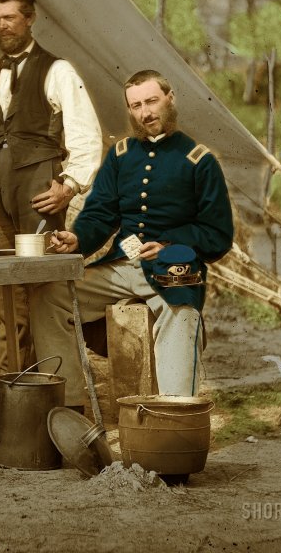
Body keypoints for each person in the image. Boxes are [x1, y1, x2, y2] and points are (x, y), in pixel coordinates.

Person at [0, 0, 103, 408]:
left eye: (11, 18)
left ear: (30, 18)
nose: (3, 26)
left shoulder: (58, 71)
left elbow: (86, 137)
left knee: (41, 287)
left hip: (40, 191)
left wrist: (69, 186)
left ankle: (54, 383)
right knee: (6, 288)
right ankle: (14, 379)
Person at [50, 69, 234, 398]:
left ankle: (174, 413)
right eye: (136, 106)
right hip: (121, 266)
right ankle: (69, 403)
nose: (145, 112)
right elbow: (101, 212)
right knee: (50, 296)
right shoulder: (120, 156)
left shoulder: (199, 161)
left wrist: (170, 243)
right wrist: (78, 238)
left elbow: (217, 234)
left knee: (180, 312)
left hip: (175, 268)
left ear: (170, 99)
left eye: (151, 101)